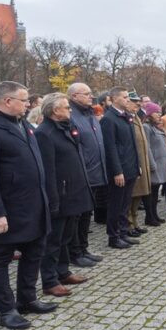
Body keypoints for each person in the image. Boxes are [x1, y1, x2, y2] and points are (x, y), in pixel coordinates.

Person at [0, 81, 57, 330]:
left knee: (34, 253)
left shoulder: (23, 124)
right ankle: (6, 309)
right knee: (0, 258)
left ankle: (27, 298)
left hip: (34, 204)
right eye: (24, 99)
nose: (29, 104)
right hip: (8, 208)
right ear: (7, 101)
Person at [35, 93, 93, 298]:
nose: (70, 110)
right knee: (53, 241)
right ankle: (49, 280)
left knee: (66, 237)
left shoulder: (67, 128)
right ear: (54, 111)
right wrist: (52, 200)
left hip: (75, 192)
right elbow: (48, 171)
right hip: (59, 194)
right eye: (66, 107)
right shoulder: (45, 133)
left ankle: (63, 271)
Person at [67, 82, 106, 267]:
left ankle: (83, 248)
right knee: (78, 216)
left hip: (95, 173)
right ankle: (74, 252)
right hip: (82, 174)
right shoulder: (71, 116)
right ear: (74, 96)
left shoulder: (89, 114)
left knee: (86, 214)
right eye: (86, 94)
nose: (91, 96)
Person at [99, 86, 140, 249]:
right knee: (116, 205)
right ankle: (113, 236)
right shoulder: (109, 119)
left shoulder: (126, 117)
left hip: (130, 167)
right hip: (119, 170)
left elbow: (132, 144)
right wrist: (117, 171)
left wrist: (137, 165)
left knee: (125, 204)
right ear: (114, 98)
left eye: (127, 98)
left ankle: (123, 232)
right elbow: (110, 148)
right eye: (124, 97)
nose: (127, 100)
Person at [126, 92, 152, 235]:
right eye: (133, 102)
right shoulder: (127, 118)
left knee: (139, 194)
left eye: (138, 102)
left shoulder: (136, 117)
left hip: (143, 161)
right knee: (132, 194)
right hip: (134, 162)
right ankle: (129, 223)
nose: (137, 104)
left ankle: (135, 221)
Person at [143, 102, 166, 223]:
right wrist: (151, 164)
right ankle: (149, 216)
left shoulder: (155, 127)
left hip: (161, 164)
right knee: (151, 192)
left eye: (160, 112)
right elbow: (147, 147)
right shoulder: (146, 127)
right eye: (156, 112)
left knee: (155, 193)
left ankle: (154, 214)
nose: (159, 115)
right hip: (154, 164)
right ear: (149, 114)